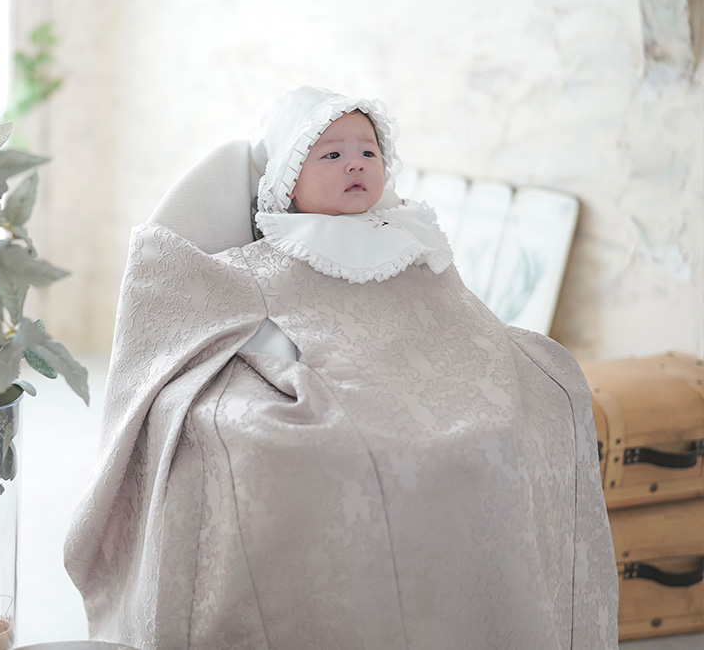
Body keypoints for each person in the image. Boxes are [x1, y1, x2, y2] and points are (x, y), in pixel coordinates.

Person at [64, 86, 618, 650]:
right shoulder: (271, 253)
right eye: (330, 154)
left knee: (527, 410)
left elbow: (454, 317)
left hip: (429, 378)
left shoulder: (409, 240)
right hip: (335, 379)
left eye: (368, 152)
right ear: (287, 179)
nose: (354, 162)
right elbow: (215, 313)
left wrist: (487, 354)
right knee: (313, 450)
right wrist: (294, 371)